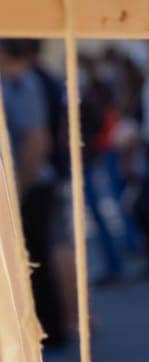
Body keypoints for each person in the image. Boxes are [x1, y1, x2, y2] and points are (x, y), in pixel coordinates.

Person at [0, 39, 62, 344]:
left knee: (36, 260)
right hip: (29, 183)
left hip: (31, 185)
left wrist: (17, 190)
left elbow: (36, 141)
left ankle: (50, 331)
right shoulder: (20, 82)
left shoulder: (23, 84)